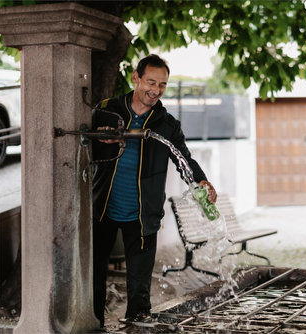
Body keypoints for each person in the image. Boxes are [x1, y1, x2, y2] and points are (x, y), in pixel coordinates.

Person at [91, 54, 217, 328]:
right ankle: (95, 326)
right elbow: (83, 149)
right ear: (136, 77)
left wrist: (202, 181)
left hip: (143, 215)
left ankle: (136, 327)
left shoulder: (166, 124)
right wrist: (102, 141)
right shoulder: (107, 111)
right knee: (94, 278)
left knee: (139, 289)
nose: (156, 90)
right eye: (151, 82)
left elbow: (184, 158)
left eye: (162, 85)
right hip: (102, 208)